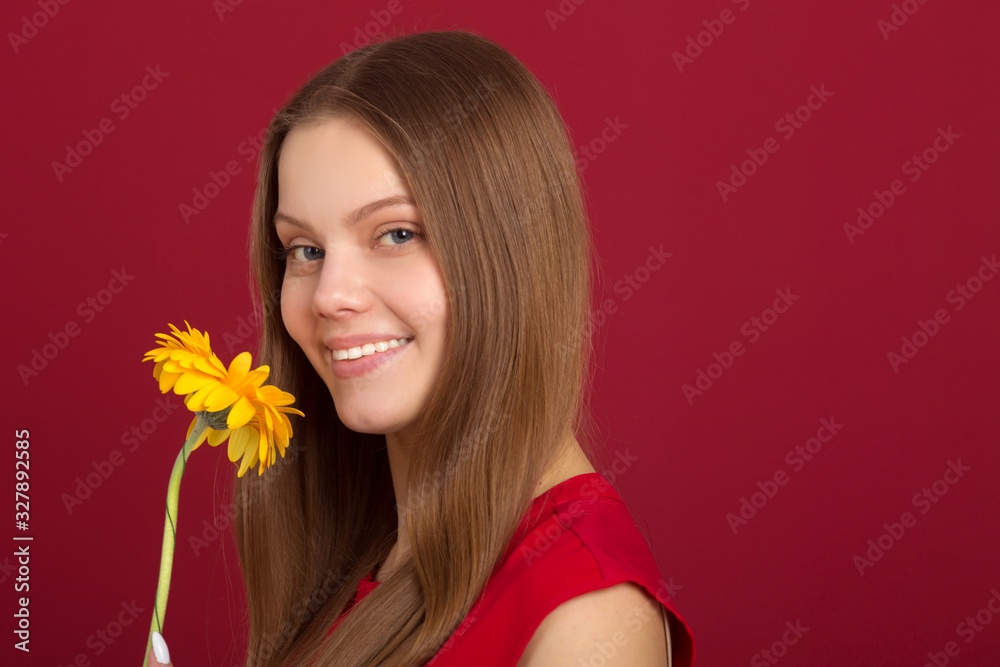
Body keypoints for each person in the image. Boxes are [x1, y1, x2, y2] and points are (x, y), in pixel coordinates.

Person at [146, 29, 694, 666]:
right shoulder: (362, 551)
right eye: (306, 249)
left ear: (513, 253)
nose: (329, 295)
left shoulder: (587, 617)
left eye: (397, 234)